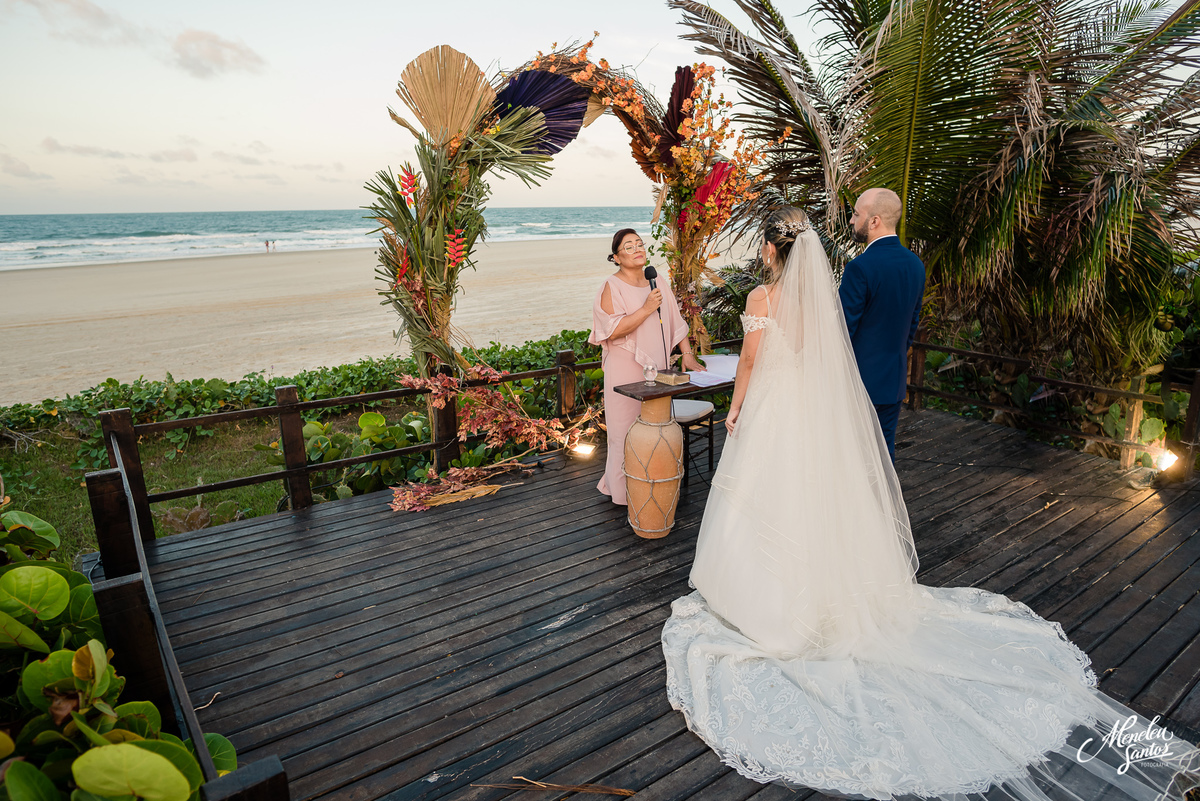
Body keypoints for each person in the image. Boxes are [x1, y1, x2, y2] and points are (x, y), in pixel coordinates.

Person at [661, 206, 1199, 801]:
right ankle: (825, 591)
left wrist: (737, 408)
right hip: (810, 412)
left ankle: (767, 600)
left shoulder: (764, 296)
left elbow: (754, 365)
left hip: (772, 410)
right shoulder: (819, 297)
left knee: (767, 500)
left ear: (768, 249)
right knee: (817, 499)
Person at [590, 229, 704, 505]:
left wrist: (687, 353)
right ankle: (622, 493)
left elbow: (675, 321)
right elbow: (612, 330)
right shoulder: (611, 286)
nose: (637, 248)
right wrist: (645, 308)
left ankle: (652, 483)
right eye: (628, 247)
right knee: (624, 429)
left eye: (639, 244)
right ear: (616, 257)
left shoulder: (657, 281)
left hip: (657, 366)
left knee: (655, 426)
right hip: (624, 366)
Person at [838, 187, 925, 461]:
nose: (852, 220)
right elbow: (912, 325)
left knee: (850, 459)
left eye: (856, 214)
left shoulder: (859, 268)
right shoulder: (915, 265)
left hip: (857, 385)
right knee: (883, 457)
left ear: (874, 221)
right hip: (893, 380)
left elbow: (841, 332)